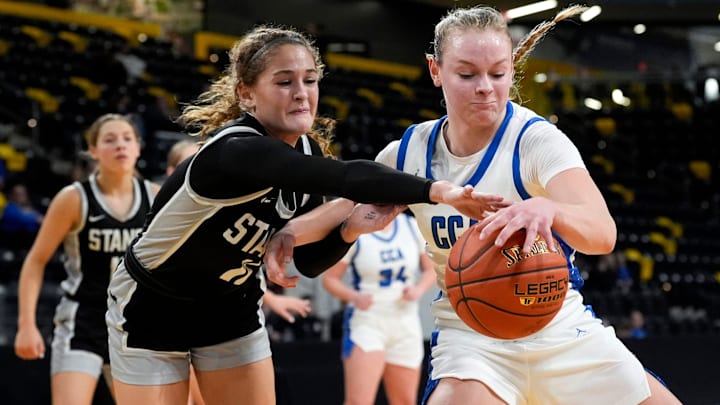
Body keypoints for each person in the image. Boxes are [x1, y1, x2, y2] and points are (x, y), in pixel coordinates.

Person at [264, 6, 684, 405]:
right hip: (472, 336)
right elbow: (341, 208)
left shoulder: (536, 141)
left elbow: (602, 234)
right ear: (436, 71)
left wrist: (548, 209)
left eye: (498, 73)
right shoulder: (409, 151)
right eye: (467, 74)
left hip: (557, 327)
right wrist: (284, 236)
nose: (485, 86)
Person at [105, 24, 508, 405]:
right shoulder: (236, 151)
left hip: (230, 304)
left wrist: (349, 230)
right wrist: (440, 191)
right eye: (284, 82)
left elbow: (306, 262)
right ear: (246, 95)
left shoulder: (306, 152)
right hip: (154, 304)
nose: (302, 93)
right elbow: (348, 176)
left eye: (310, 80)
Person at [14, 113, 158, 405]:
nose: (121, 145)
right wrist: (26, 325)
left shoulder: (156, 197)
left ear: (139, 148)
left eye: (127, 139)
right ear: (92, 151)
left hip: (135, 324)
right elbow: (36, 260)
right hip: (82, 321)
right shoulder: (73, 198)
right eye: (110, 139)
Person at [164, 138, 313, 405]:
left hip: (220, 319)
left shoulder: (229, 207)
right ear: (172, 172)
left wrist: (270, 297)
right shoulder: (162, 213)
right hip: (168, 316)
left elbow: (230, 270)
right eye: (189, 165)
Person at [322, 212, 436, 405]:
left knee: (405, 401)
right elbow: (329, 279)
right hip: (368, 320)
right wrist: (354, 296)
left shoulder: (410, 226)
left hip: (405, 321)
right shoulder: (356, 228)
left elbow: (431, 269)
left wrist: (418, 289)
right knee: (359, 402)